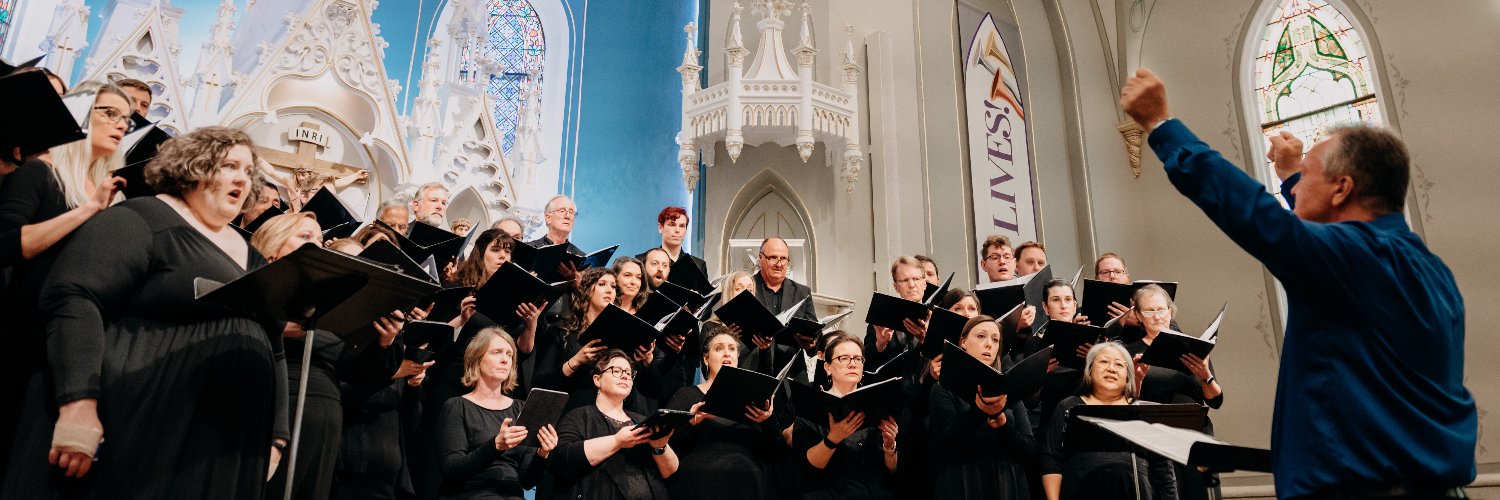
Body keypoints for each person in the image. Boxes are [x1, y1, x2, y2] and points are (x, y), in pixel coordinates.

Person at [1123, 68, 1474, 498]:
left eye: (1308, 176)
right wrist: (1294, 176)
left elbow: (1253, 213)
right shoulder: (1428, 269)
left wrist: (1161, 125)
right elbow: (1324, 238)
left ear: (1342, 188)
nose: (1292, 188)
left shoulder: (1350, 260)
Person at [5, 126, 287, 499]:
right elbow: (74, 297)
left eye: (248, 172)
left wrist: (276, 439)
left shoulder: (249, 252)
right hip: (141, 425)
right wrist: (77, 403)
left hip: (220, 445)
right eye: (230, 166)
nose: (242, 179)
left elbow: (275, 345)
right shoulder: (141, 217)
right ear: (194, 166)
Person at [0, 81, 130, 486]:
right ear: (80, 113)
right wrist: (90, 210)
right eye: (108, 112)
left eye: (126, 118)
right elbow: (9, 244)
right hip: (21, 333)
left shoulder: (115, 194)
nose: (120, 124)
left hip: (74, 342)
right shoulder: (42, 173)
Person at [252, 212, 409, 500]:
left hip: (326, 417)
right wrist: (279, 326)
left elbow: (357, 372)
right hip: (278, 403)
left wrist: (383, 343)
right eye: (305, 236)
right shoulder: (256, 289)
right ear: (273, 246)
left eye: (320, 239)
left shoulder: (326, 304)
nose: (318, 245)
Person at [1121, 285, 1224, 500]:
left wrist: (1206, 376)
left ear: (1170, 311)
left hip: (1195, 435)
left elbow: (1215, 401)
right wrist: (1138, 378)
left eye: (1162, 309)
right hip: (1155, 441)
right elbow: (1126, 403)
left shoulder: (1192, 346)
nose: (1157, 316)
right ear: (1139, 315)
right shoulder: (1129, 351)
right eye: (1149, 311)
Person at [1039, 342, 1175, 500]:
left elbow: (1163, 470)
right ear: (1089, 370)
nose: (1111, 368)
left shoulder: (1143, 413)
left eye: (1119, 364)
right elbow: (1051, 458)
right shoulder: (1069, 406)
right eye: (1104, 361)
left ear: (1128, 376)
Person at [434, 327, 556, 500]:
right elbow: (452, 470)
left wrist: (542, 454)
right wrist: (495, 445)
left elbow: (527, 480)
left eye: (509, 354)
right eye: (497, 352)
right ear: (477, 358)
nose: (505, 360)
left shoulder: (521, 408)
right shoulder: (457, 406)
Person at [664, 330, 785, 499]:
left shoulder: (754, 399)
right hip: (698, 485)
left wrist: (768, 421)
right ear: (706, 359)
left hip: (746, 486)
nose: (727, 353)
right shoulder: (685, 395)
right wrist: (690, 424)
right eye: (719, 349)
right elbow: (664, 446)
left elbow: (776, 454)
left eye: (732, 349)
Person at [550, 350, 679, 499]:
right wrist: (617, 442)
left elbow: (671, 474)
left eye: (629, 373)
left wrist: (659, 447)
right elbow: (562, 459)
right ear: (597, 380)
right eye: (616, 371)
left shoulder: (642, 420)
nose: (625, 375)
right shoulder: (580, 416)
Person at [929, 316, 1034, 499]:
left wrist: (1003, 426)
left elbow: (1030, 452)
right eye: (981, 336)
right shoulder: (944, 387)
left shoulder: (1009, 388)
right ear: (963, 343)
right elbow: (942, 448)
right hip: (962, 482)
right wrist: (978, 411)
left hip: (1007, 484)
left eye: (995, 339)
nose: (989, 344)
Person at [790, 334, 901, 499]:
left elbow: (891, 472)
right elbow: (807, 468)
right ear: (827, 367)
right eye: (844, 358)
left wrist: (889, 447)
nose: (852, 363)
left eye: (858, 358)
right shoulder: (812, 405)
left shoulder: (877, 404)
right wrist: (832, 439)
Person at [533, 268, 659, 412]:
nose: (609, 290)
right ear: (587, 291)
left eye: (613, 286)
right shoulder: (562, 331)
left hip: (615, 414)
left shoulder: (622, 335)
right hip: (574, 412)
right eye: (602, 284)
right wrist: (575, 361)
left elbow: (651, 391)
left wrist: (647, 361)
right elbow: (540, 384)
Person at [866, 256, 930, 369]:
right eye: (905, 280)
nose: (911, 285)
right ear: (896, 287)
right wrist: (880, 345)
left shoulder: (937, 318)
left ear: (925, 284)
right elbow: (867, 366)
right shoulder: (881, 321)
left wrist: (927, 340)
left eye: (916, 279)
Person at [636, 206, 707, 277]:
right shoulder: (641, 261)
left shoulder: (698, 266)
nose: (677, 230)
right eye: (672, 225)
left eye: (682, 226)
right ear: (660, 227)